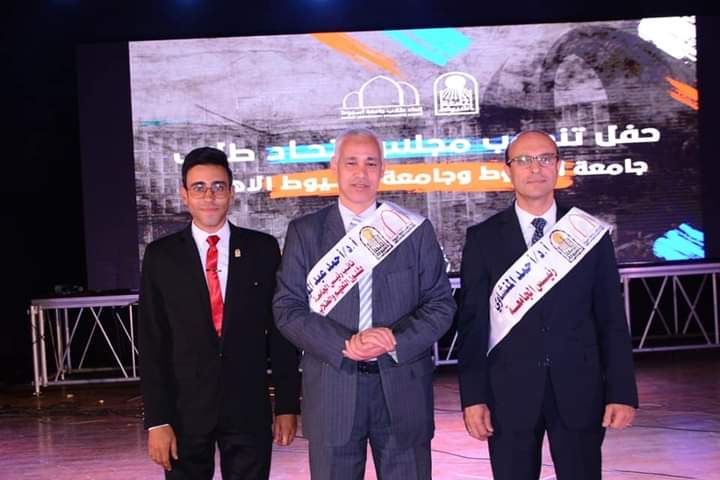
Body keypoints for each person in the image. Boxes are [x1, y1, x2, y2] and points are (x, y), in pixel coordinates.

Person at [273, 128, 456, 479]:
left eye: (371, 163)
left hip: (402, 389)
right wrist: (343, 343)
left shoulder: (414, 230)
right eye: (351, 162)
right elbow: (288, 309)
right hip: (332, 389)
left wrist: (395, 339)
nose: (361, 173)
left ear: (383, 169)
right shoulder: (305, 232)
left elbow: (440, 305)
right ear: (334, 167)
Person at [457, 130, 638, 479]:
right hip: (508, 394)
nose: (535, 168)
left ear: (558, 166)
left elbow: (611, 320)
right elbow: (473, 326)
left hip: (580, 390)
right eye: (523, 160)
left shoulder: (589, 233)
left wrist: (622, 392)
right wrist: (473, 397)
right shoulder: (483, 239)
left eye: (544, 159)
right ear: (508, 170)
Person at [138, 147, 300, 479]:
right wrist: (157, 420)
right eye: (199, 187)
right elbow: (153, 344)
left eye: (218, 186)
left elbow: (280, 333)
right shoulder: (160, 256)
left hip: (248, 411)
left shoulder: (262, 249)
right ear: (184, 194)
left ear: (232, 192)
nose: (209, 196)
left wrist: (287, 405)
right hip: (183, 415)